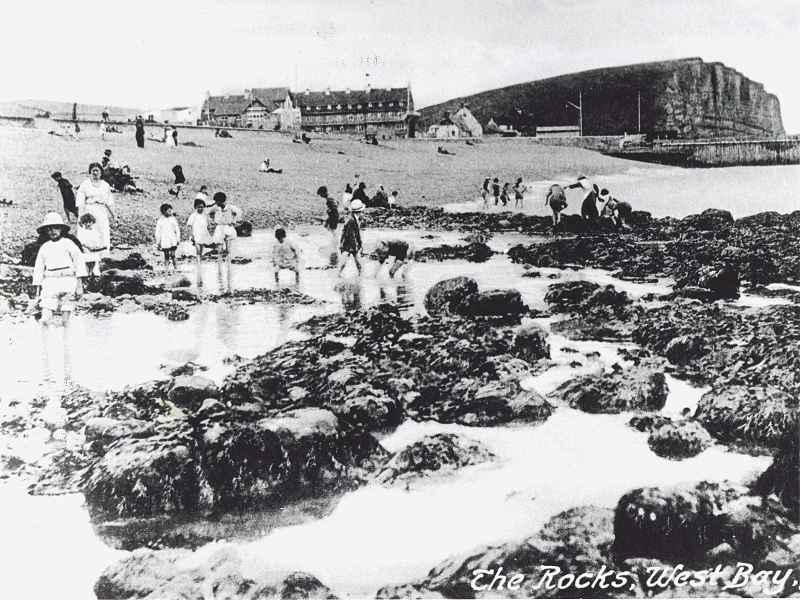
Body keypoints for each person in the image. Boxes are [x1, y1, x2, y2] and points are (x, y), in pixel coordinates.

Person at [31, 212, 87, 325]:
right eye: (49, 229)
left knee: (65, 320)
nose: (52, 231)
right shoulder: (45, 247)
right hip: (50, 283)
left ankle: (67, 336)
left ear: (61, 229)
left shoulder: (69, 243)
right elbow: (39, 268)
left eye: (56, 228)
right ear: (46, 231)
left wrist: (79, 286)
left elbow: (79, 263)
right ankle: (45, 336)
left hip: (68, 281)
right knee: (45, 319)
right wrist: (37, 290)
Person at [76, 162, 115, 257]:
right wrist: (80, 216)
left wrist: (114, 215)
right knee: (89, 233)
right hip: (89, 212)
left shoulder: (105, 185)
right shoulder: (85, 184)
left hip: (101, 211)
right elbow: (80, 203)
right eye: (93, 171)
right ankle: (88, 256)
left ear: (101, 172)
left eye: (97, 170)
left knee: (103, 232)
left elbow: (109, 202)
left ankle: (104, 256)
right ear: (90, 172)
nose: (95, 173)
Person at [208, 191, 242, 256]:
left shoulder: (230, 207)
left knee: (228, 246)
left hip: (228, 226)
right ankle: (220, 258)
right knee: (219, 243)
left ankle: (228, 257)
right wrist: (213, 221)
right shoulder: (215, 208)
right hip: (219, 227)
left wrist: (234, 221)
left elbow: (239, 213)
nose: (215, 203)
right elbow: (210, 213)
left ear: (220, 201)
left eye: (216, 201)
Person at [338, 199, 364, 276]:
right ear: (359, 211)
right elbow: (350, 235)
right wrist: (356, 247)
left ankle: (360, 275)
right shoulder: (351, 220)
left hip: (351, 244)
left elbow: (356, 234)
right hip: (348, 245)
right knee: (344, 262)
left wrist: (360, 244)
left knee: (358, 262)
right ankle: (338, 274)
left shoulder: (354, 219)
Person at [155, 203, 180, 271]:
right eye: (169, 211)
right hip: (165, 240)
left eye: (171, 210)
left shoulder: (173, 219)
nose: (170, 212)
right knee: (166, 255)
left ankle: (176, 268)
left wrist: (178, 239)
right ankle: (166, 269)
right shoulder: (160, 220)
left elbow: (177, 230)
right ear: (164, 211)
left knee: (173, 254)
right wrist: (158, 241)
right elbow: (158, 232)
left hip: (172, 240)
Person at [187, 198, 213, 263]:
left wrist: (209, 232)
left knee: (201, 250)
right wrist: (191, 235)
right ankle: (198, 263)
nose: (200, 208)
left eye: (202, 207)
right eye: (199, 207)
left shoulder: (205, 215)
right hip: (196, 234)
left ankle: (199, 263)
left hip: (203, 234)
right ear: (196, 207)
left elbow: (207, 225)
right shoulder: (193, 215)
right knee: (198, 250)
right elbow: (189, 226)